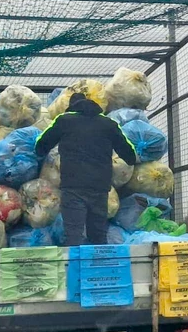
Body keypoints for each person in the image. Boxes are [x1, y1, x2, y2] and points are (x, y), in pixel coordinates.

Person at [35, 93, 137, 246]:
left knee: (73, 235)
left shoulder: (64, 120)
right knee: (98, 236)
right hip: (99, 188)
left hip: (73, 187)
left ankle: (75, 260)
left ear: (72, 106)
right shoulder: (108, 124)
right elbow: (129, 152)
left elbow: (40, 145)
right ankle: (98, 261)